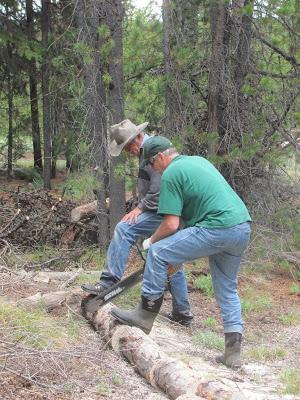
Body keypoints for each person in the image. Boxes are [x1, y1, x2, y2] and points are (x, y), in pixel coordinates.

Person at [111, 136, 252, 369]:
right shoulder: (198, 161)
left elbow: (171, 225)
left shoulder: (170, 174)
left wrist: (150, 242)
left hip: (217, 227)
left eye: (151, 163)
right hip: (241, 227)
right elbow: (190, 217)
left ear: (160, 157)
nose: (151, 168)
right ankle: (233, 352)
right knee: (226, 287)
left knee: (158, 251)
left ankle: (144, 315)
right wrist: (175, 258)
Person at [82, 120, 193, 326]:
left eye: (126, 148)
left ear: (136, 139)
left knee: (124, 229)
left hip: (165, 212)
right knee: (170, 258)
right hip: (168, 212)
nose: (127, 153)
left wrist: (139, 208)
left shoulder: (154, 153)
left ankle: (108, 282)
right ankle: (182, 312)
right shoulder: (147, 150)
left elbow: (159, 192)